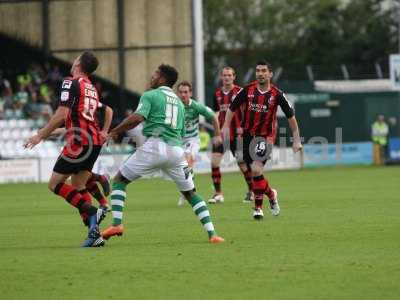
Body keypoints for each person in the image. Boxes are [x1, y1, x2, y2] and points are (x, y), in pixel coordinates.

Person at [101, 64, 224, 244]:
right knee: (191, 193)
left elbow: (137, 118)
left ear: (162, 79)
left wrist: (113, 132)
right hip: (176, 151)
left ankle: (117, 224)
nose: (152, 76)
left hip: (155, 146)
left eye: (156, 74)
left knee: (120, 180)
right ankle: (212, 234)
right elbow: (181, 132)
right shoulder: (179, 103)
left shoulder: (150, 95)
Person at [24, 51, 114, 246]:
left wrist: (40, 135)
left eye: (76, 58)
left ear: (79, 64)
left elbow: (61, 113)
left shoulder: (70, 82)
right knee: (79, 186)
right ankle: (94, 234)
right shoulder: (91, 88)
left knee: (54, 184)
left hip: (79, 144)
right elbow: (79, 117)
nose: (73, 61)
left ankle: (93, 211)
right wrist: (105, 131)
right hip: (94, 143)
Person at [222, 60, 302, 220]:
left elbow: (291, 117)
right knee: (253, 173)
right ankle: (271, 194)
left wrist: (296, 140)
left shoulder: (277, 94)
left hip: (266, 137)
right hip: (246, 135)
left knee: (257, 170)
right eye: (258, 70)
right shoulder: (248, 90)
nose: (260, 73)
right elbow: (232, 107)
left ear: (270, 74)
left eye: (264, 70)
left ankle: (258, 208)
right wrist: (225, 126)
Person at [209, 67, 254, 204]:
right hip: (222, 135)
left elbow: (248, 112)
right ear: (221, 77)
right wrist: (216, 133)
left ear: (234, 77)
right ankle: (218, 194)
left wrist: (244, 130)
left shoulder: (241, 92)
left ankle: (252, 191)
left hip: (238, 135)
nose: (227, 77)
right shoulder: (216, 94)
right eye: (224, 75)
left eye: (229, 75)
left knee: (242, 164)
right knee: (214, 162)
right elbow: (215, 114)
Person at [176, 80, 222, 206]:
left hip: (192, 140)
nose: (183, 95)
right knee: (181, 169)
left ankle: (189, 192)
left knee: (188, 163)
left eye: (185, 92)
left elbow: (213, 116)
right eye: (180, 92)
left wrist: (217, 134)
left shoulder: (196, 106)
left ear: (190, 93)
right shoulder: (174, 106)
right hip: (177, 141)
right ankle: (187, 190)